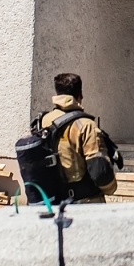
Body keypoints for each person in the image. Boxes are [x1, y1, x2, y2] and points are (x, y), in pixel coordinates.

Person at [33, 73, 119, 203]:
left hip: (54, 201)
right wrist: (111, 188)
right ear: (81, 95)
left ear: (57, 94)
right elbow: (99, 172)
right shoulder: (85, 125)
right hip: (84, 203)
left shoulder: (43, 121)